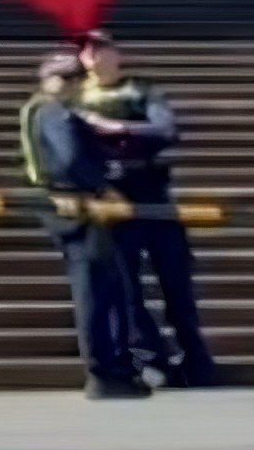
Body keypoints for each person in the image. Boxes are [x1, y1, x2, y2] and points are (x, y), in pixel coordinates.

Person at [81, 34, 217, 387]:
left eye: (100, 48)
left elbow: (165, 128)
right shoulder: (76, 97)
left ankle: (196, 359)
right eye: (86, 50)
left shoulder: (140, 90)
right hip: (112, 197)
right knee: (127, 289)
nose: (93, 56)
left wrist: (119, 127)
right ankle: (153, 358)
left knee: (177, 282)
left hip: (152, 192)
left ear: (116, 54)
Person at [21, 49, 140, 399]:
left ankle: (107, 367)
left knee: (95, 284)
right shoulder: (55, 113)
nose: (73, 84)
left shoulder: (39, 110)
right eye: (65, 78)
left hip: (64, 202)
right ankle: (104, 370)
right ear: (49, 80)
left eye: (75, 78)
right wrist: (103, 189)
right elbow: (70, 158)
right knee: (94, 287)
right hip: (77, 204)